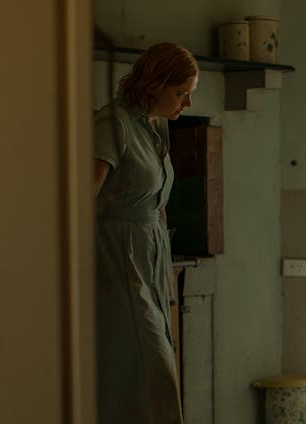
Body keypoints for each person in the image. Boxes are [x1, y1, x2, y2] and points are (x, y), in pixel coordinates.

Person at [93, 42, 198, 424]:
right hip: (117, 256)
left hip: (152, 254)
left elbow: (156, 196)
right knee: (149, 364)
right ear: (155, 84)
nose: (186, 104)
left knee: (147, 365)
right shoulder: (113, 123)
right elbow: (80, 200)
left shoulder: (158, 127)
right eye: (181, 93)